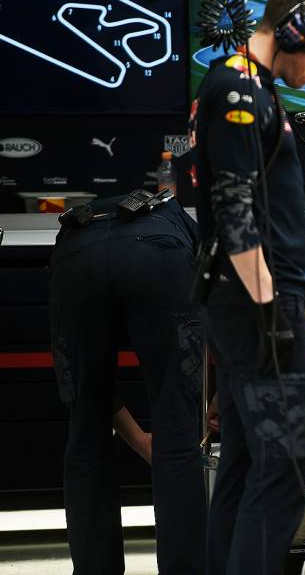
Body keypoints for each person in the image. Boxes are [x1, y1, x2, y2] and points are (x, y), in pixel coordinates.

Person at [188, 0, 305, 575]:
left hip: (250, 302)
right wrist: (270, 316)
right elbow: (235, 217)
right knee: (283, 471)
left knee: (243, 463)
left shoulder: (251, 87)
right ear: (295, 28)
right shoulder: (237, 91)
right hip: (257, 304)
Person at [49, 193, 205, 575]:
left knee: (85, 430)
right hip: (159, 253)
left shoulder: (82, 240)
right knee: (179, 434)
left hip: (76, 255)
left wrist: (136, 438)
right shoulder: (188, 230)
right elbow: (228, 321)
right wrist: (215, 399)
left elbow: (90, 392)